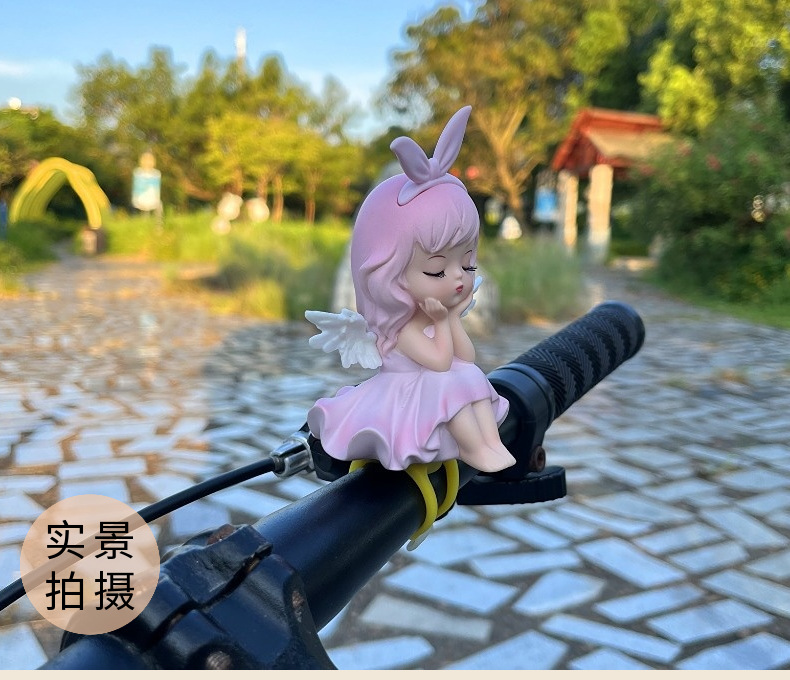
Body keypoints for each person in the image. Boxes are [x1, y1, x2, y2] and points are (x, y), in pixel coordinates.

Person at [305, 107, 515, 543]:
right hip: (405, 393)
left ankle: (488, 444)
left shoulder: (436, 313)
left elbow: (464, 356)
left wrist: (450, 318)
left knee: (470, 375)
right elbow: (438, 362)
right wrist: (443, 319)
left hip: (433, 381)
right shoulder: (399, 329)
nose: (459, 278)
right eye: (437, 270)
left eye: (468, 263)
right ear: (387, 275)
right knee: (455, 382)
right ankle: (478, 447)